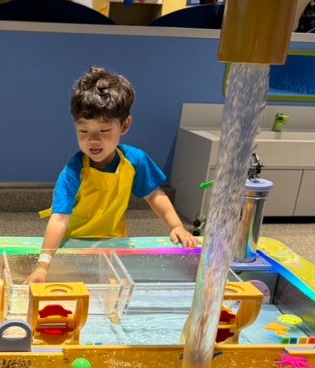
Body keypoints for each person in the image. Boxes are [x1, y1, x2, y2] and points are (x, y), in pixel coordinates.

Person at [28, 67, 196, 283]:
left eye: (104, 131)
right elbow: (59, 218)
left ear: (124, 126)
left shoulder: (135, 161)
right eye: (84, 131)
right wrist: (43, 265)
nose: (93, 140)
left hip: (114, 241)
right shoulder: (73, 171)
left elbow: (154, 195)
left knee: (115, 291)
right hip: (74, 243)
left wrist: (177, 226)